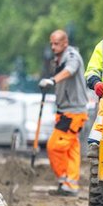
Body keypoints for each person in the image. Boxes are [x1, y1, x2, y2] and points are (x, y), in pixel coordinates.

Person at [39, 30, 89, 196]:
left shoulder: (72, 56)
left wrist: (52, 81)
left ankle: (64, 179)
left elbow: (70, 70)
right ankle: (70, 184)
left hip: (73, 112)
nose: (53, 47)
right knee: (72, 148)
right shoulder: (58, 58)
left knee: (54, 146)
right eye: (51, 43)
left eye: (56, 44)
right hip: (65, 111)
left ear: (65, 43)